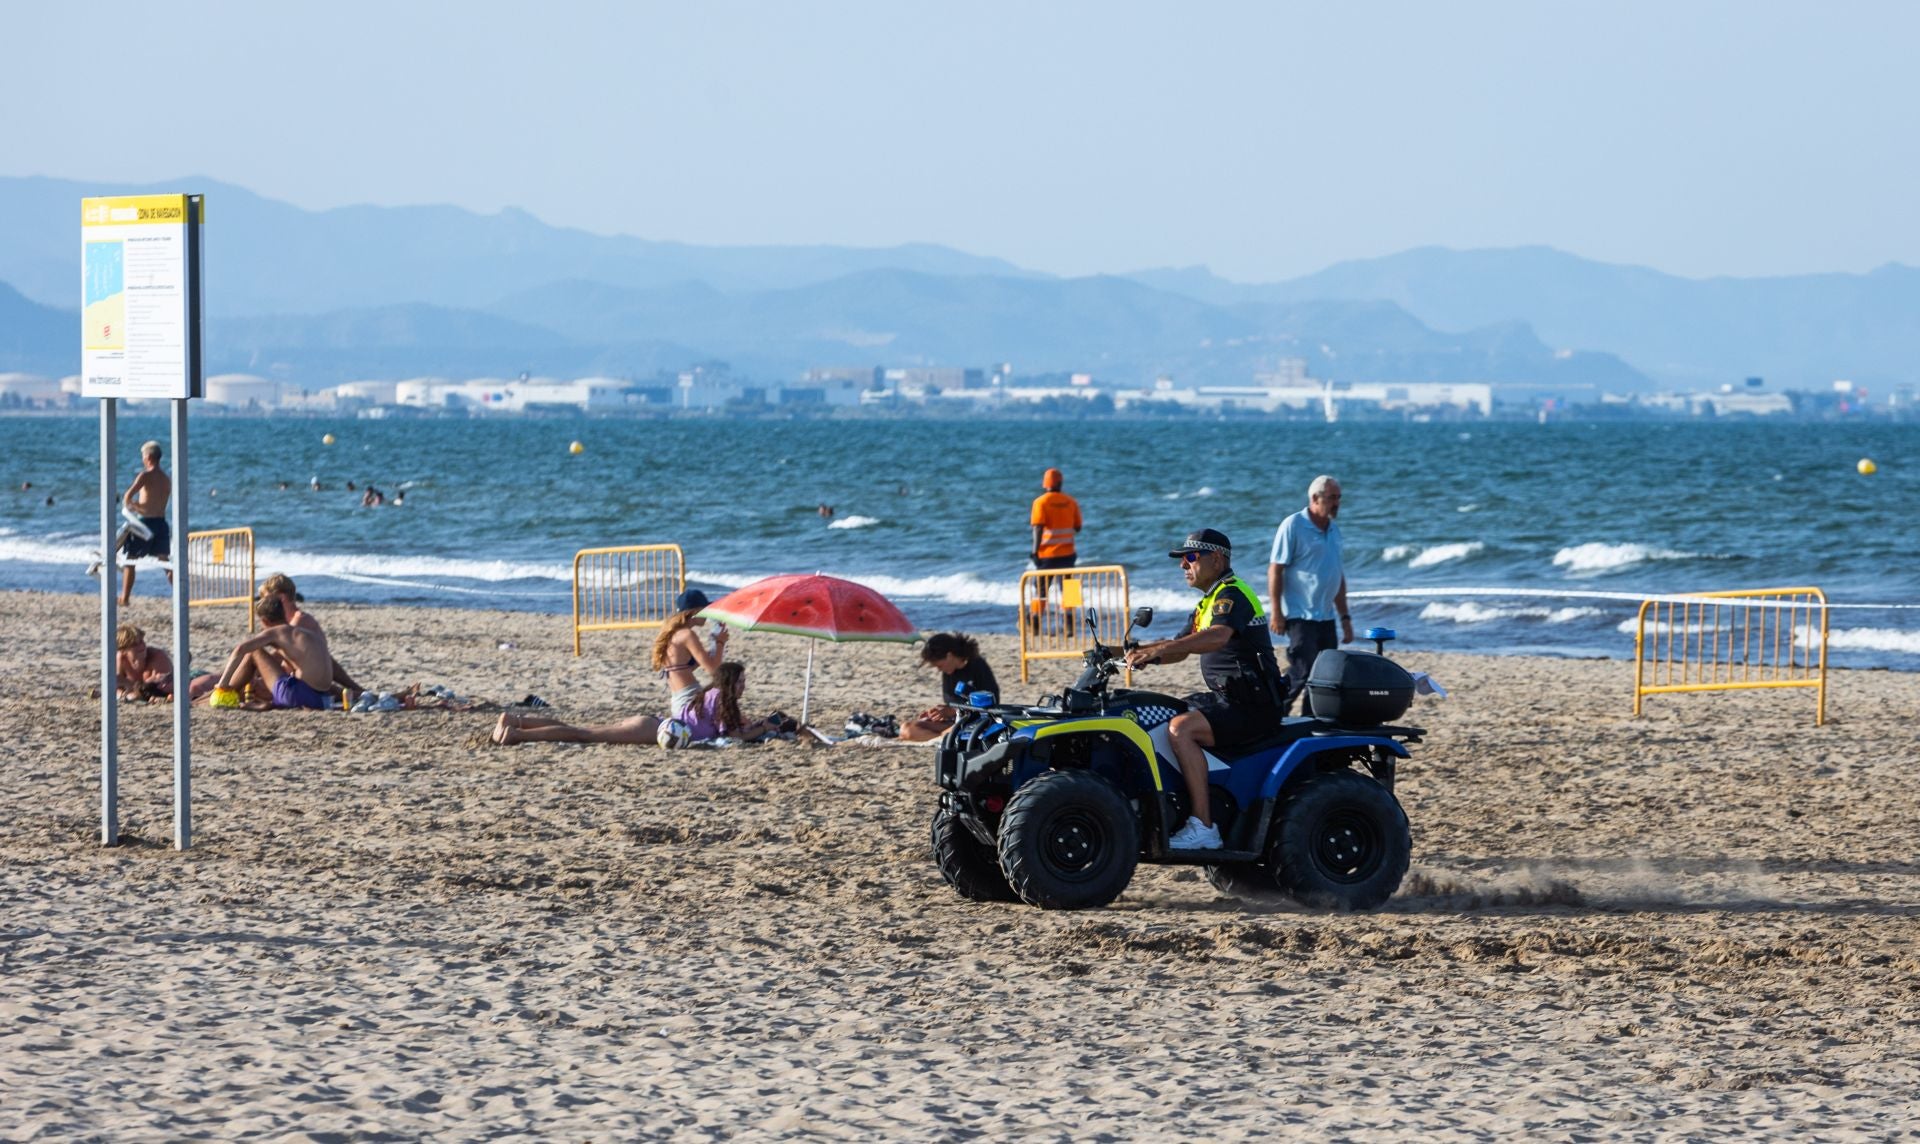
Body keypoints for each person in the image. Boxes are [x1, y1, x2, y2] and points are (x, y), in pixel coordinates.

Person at [1125, 529, 1287, 850]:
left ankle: (1204, 825)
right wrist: (1140, 654)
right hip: (1229, 697)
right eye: (1182, 560)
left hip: (1252, 704)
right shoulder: (1207, 602)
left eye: (1190, 558)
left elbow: (1217, 637)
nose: (1183, 566)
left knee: (1180, 730)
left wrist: (1159, 649)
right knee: (1161, 715)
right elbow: (1180, 649)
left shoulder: (1232, 595)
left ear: (1217, 558)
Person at [493, 662, 790, 746]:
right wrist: (765, 725)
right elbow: (732, 735)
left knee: (581, 729)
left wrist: (759, 725)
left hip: (651, 722)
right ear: (729, 684)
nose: (743, 687)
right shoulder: (721, 699)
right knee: (582, 734)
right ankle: (516, 734)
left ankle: (514, 721)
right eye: (740, 683)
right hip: (655, 729)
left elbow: (732, 727)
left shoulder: (712, 696)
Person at [1268, 475, 1354, 714]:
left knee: (1325, 675)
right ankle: (1274, 715)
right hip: (1299, 614)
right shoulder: (1293, 525)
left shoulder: (1334, 530)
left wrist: (1345, 617)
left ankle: (1309, 722)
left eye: (1339, 498)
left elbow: (1337, 574)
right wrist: (1276, 612)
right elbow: (1276, 569)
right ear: (1315, 498)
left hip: (1326, 617)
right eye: (1332, 498)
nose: (1337, 503)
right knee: (1301, 671)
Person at [206, 595, 335, 710]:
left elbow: (240, 649)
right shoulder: (305, 634)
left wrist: (222, 682)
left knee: (254, 652)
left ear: (265, 621)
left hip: (298, 697)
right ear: (283, 613)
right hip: (323, 700)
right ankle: (267, 703)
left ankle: (224, 695)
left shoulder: (276, 632)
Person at [257, 573, 366, 702]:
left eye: (266, 598)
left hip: (304, 686)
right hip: (310, 682)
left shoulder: (299, 622)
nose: (264, 603)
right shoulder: (295, 621)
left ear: (282, 598)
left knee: (255, 684)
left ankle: (360, 693)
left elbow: (278, 657)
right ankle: (359, 692)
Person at [900, 633, 999, 741]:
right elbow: (951, 702)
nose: (939, 669)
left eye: (940, 666)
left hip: (976, 721)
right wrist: (938, 712)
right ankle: (941, 738)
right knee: (907, 728)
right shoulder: (949, 672)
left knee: (944, 733)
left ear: (949, 655)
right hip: (954, 721)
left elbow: (990, 704)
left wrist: (952, 711)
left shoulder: (977, 665)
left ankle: (941, 738)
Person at [653, 589, 728, 717]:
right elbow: (714, 670)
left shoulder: (673, 634)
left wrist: (712, 650)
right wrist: (720, 643)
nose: (708, 614)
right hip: (689, 700)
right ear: (695, 611)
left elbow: (685, 668)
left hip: (678, 701)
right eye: (706, 609)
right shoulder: (687, 635)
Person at [115, 441, 173, 605]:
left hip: (144, 523)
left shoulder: (145, 476)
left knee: (130, 560)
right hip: (161, 523)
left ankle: (125, 598)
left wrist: (133, 507)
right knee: (165, 562)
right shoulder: (166, 479)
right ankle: (183, 596)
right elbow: (158, 503)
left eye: (143, 456)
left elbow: (127, 496)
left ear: (147, 457)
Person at [1027, 468, 1083, 629]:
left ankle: (1036, 621)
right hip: (1067, 553)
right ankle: (1069, 622)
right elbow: (1077, 527)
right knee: (1069, 588)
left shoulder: (1040, 502)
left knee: (1041, 590)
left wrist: (1034, 551)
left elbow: (1037, 528)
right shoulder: (1071, 501)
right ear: (1060, 482)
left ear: (1045, 484)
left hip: (1046, 554)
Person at [115, 623, 174, 702]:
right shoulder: (121, 659)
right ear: (123, 650)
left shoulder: (158, 657)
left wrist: (128, 685)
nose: (141, 646)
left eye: (141, 641)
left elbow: (163, 687)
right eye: (135, 644)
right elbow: (115, 683)